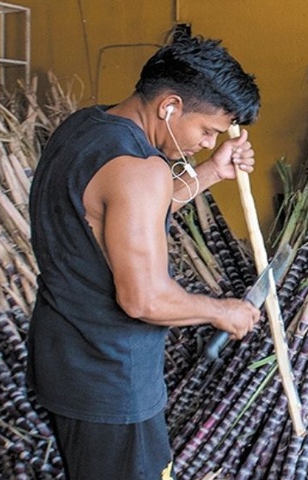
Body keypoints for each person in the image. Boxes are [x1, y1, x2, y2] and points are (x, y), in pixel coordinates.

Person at [27, 35, 263, 480]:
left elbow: (125, 213)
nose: (206, 143)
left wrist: (213, 171)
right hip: (111, 376)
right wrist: (222, 312)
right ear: (170, 106)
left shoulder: (86, 127)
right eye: (207, 131)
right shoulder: (142, 170)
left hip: (62, 356)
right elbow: (145, 300)